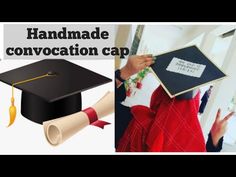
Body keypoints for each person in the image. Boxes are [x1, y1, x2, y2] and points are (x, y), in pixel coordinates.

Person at [115, 55, 234, 152]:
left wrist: (124, 72)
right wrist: (214, 141)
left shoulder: (134, 120)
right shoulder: (193, 142)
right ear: (195, 103)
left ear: (159, 94)